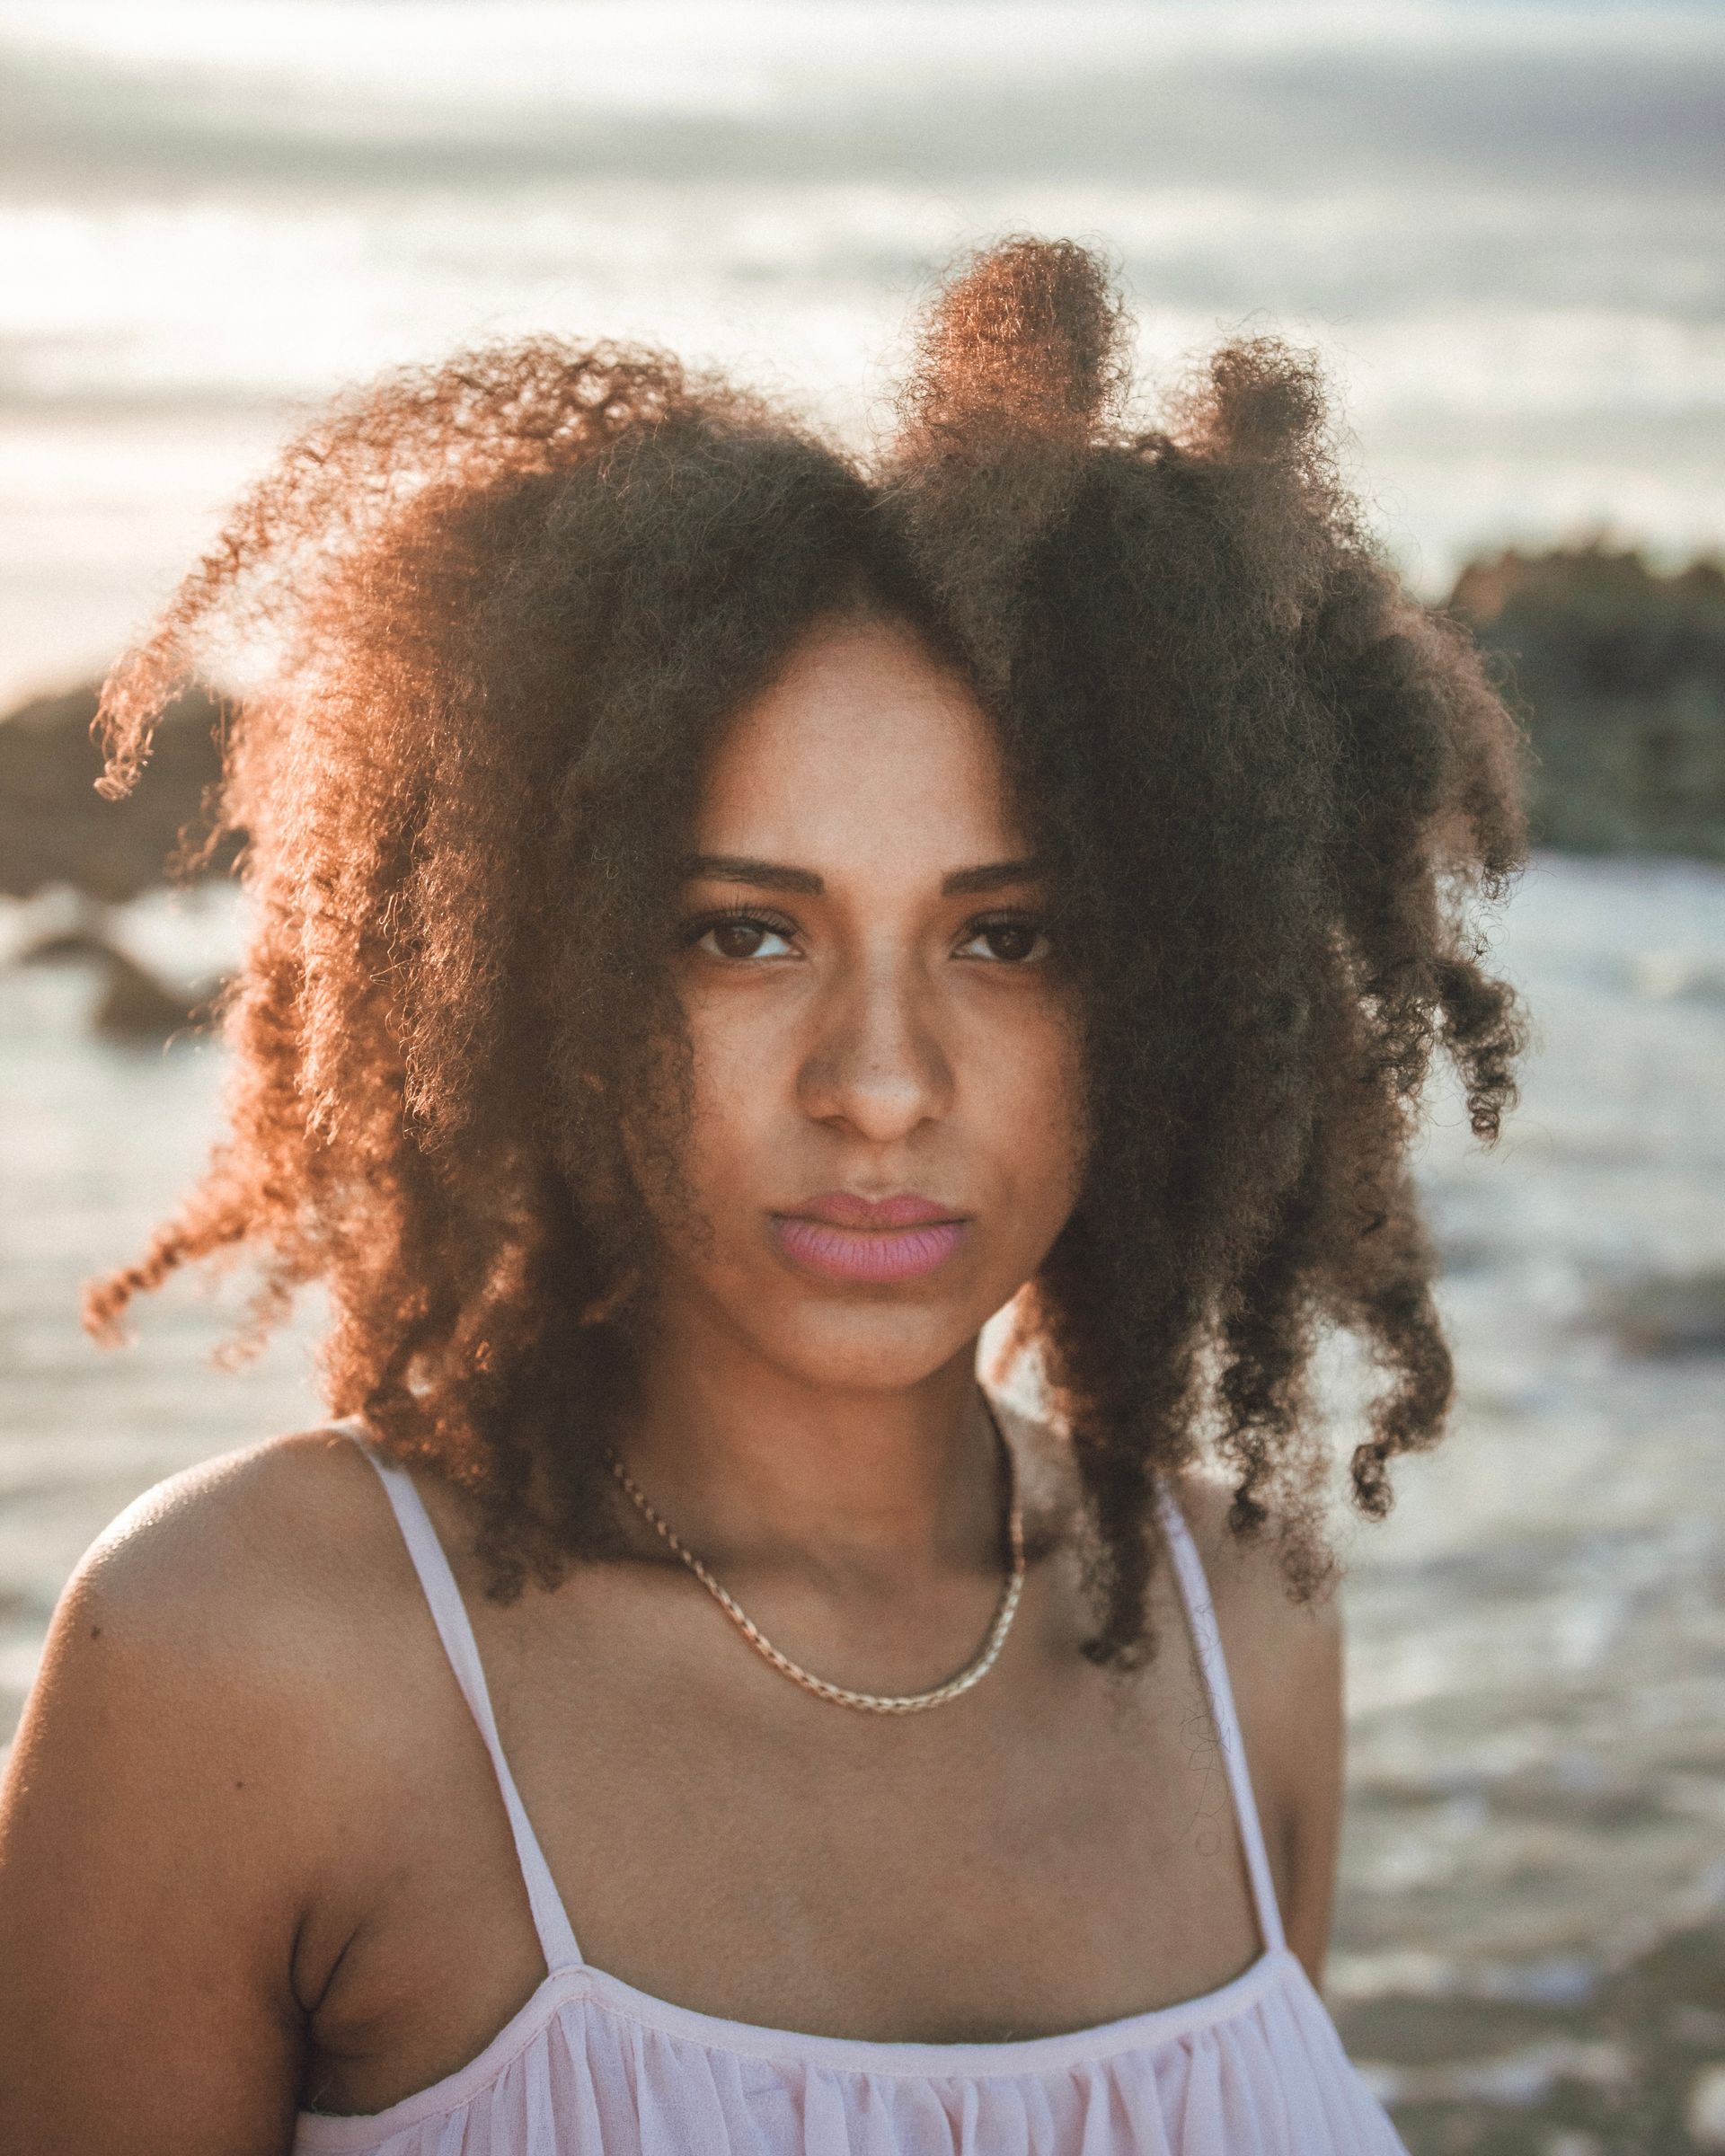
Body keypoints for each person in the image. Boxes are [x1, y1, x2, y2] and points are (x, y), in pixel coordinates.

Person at [0, 237, 1526, 2152]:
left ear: (1181, 986)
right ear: (541, 968)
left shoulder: (1244, 1630)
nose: (879, 1084)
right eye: (742, 932)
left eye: (1011, 935)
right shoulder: (248, 1657)